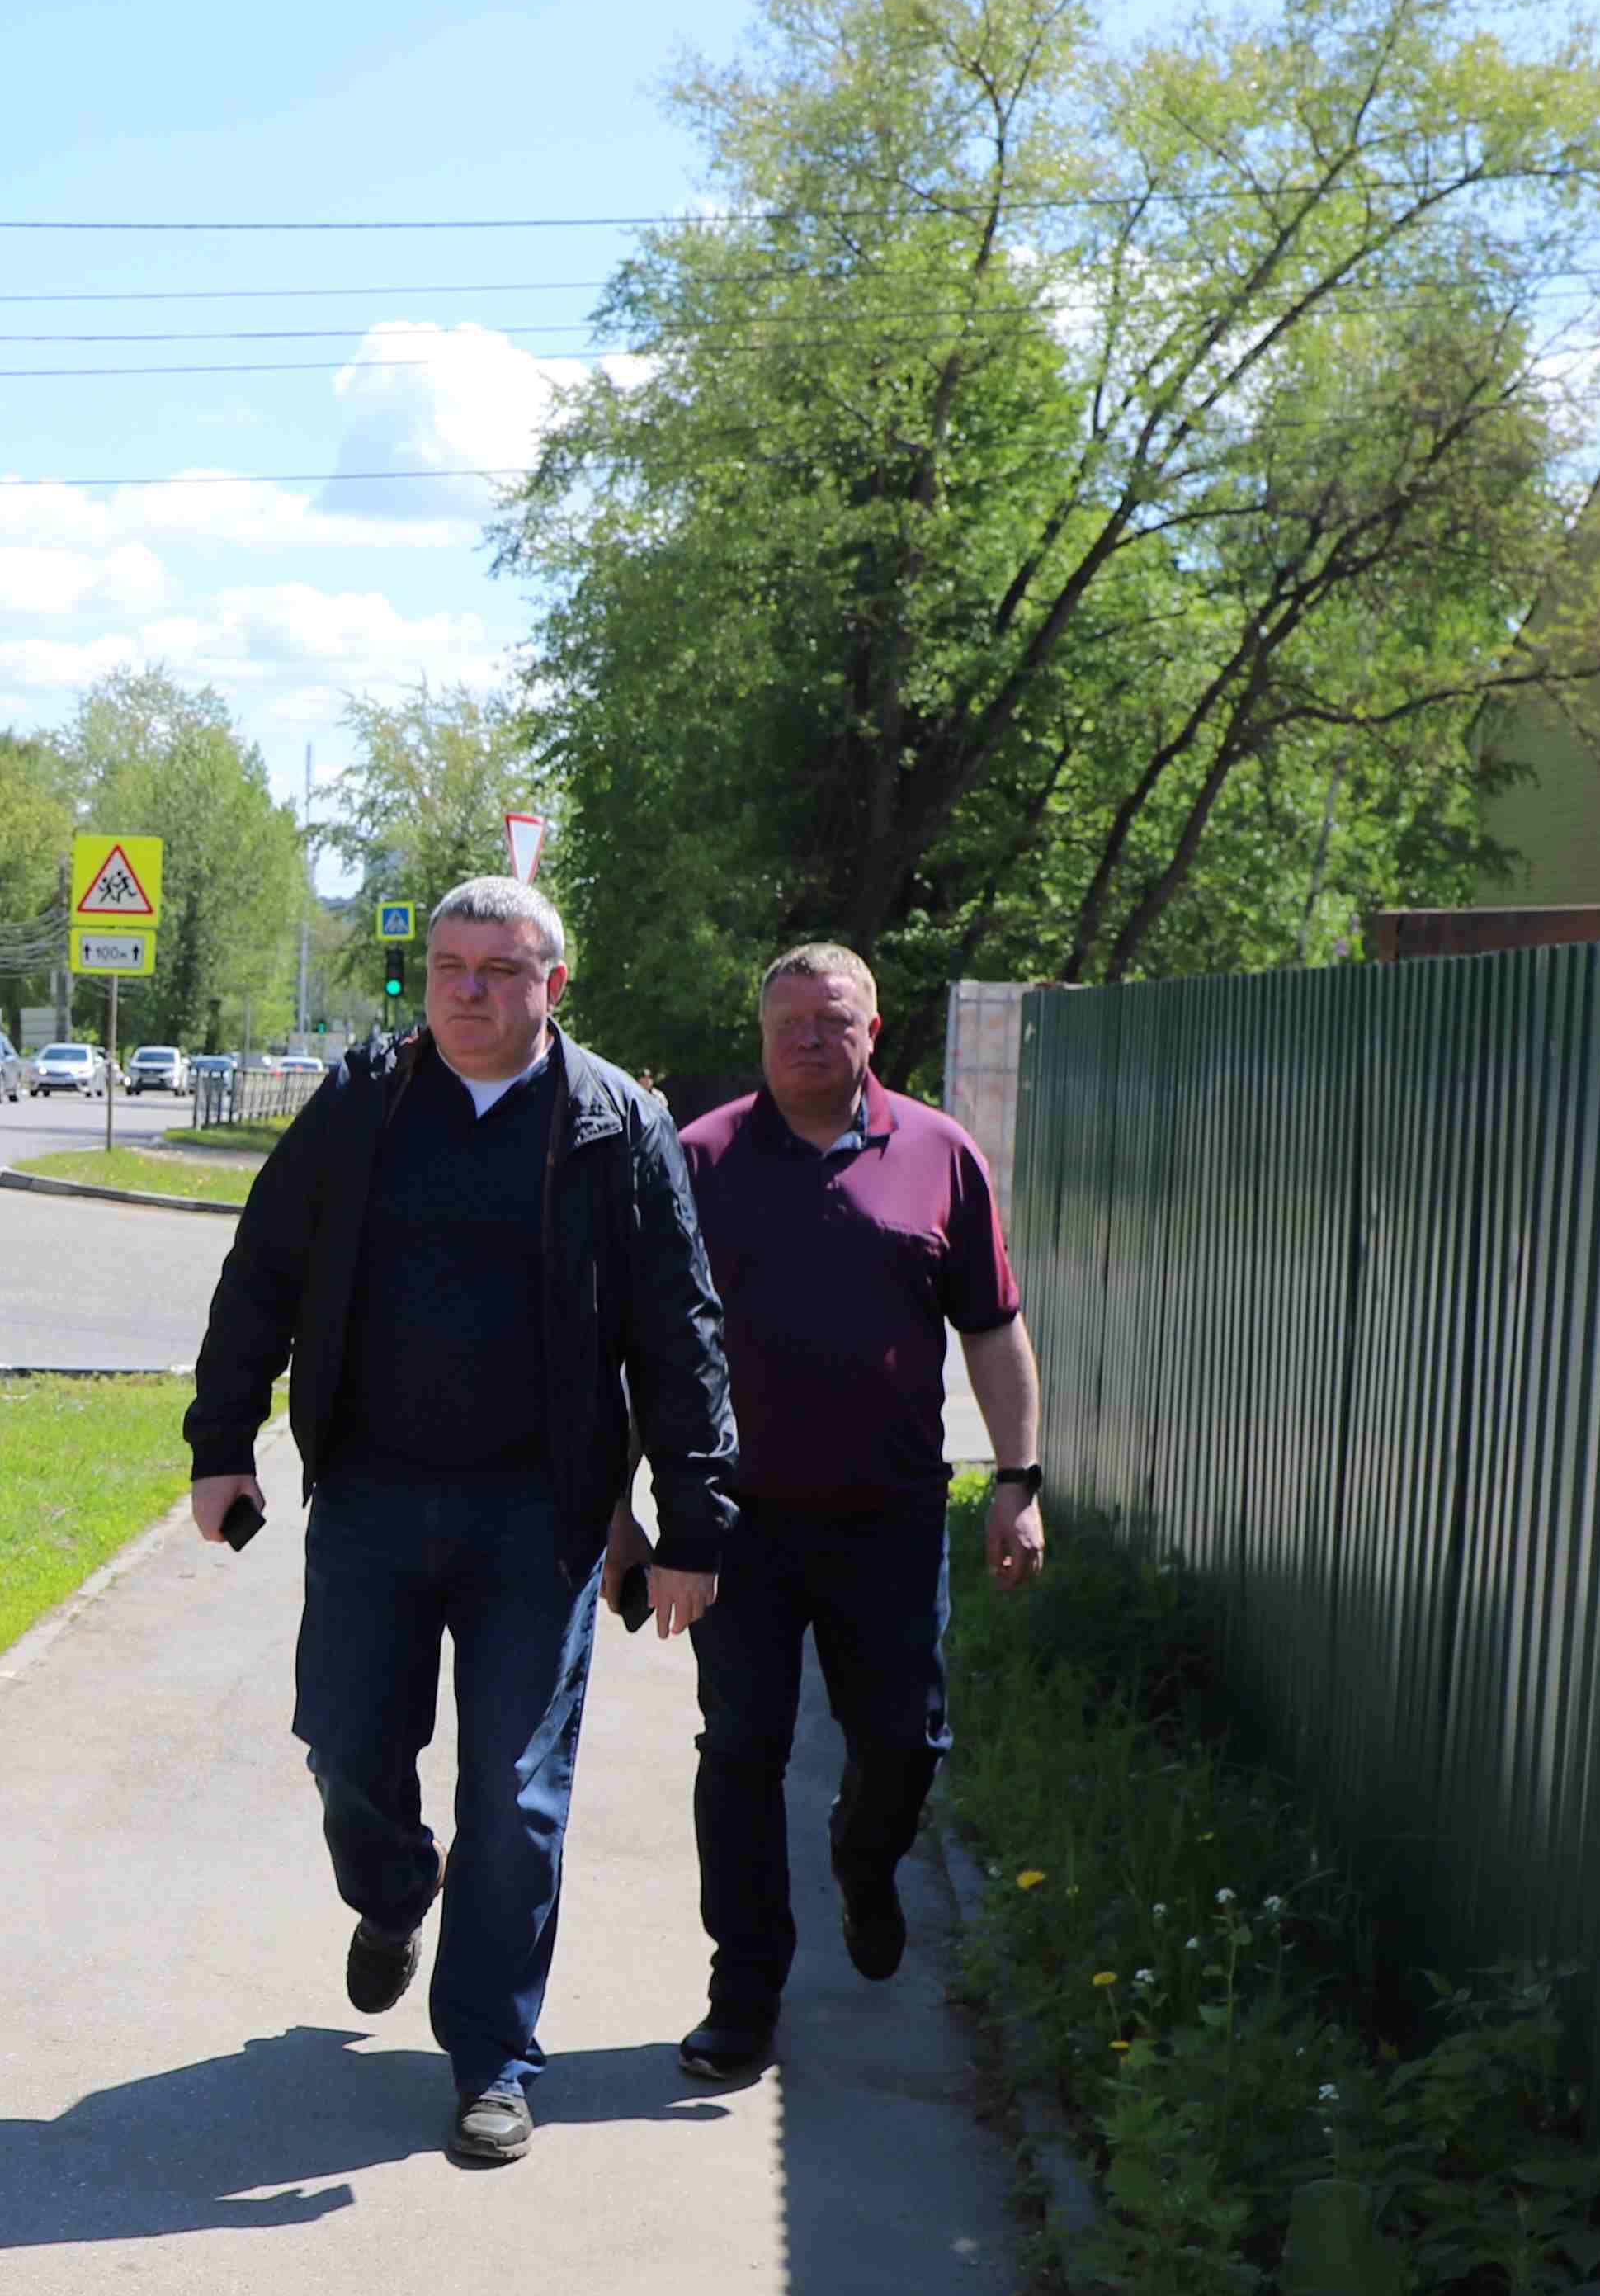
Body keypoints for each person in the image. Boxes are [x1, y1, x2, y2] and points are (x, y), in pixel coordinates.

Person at [184, 877, 735, 2166]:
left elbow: (679, 1327)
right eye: (448, 967)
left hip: (536, 1519)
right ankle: (390, 1894)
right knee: (346, 1747)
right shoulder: (366, 1101)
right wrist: (222, 1446)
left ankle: (491, 2056)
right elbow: (262, 1268)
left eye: (500, 969)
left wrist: (693, 1518)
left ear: (556, 985)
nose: (469, 991)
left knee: (516, 1792)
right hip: (371, 1496)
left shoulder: (614, 1122)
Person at [667, 943, 1045, 2089]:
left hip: (889, 1517)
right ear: (762, 1032)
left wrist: (1020, 1482)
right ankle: (745, 1994)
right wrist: (639, 1515)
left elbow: (991, 1326)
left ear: (871, 1030)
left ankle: (866, 1859)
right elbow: (646, 1345)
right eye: (786, 1020)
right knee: (741, 1751)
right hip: (742, 1526)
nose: (806, 1039)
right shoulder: (702, 1157)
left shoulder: (940, 1155)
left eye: (830, 1020)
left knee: (904, 1740)